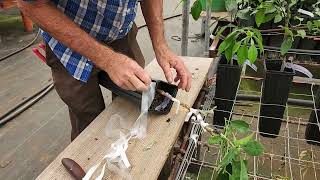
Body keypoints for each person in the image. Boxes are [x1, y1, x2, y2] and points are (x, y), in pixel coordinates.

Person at [17, 0, 192, 140]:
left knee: (133, 98)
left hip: (120, 31)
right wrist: (108, 60)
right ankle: (89, 160)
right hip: (69, 40)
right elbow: (32, 5)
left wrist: (161, 46)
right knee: (87, 116)